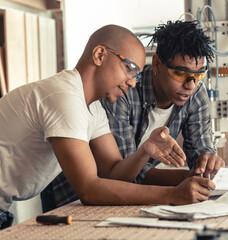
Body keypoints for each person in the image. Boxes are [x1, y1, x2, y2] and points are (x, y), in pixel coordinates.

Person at [0, 24, 215, 229]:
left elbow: (113, 173)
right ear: (100, 55)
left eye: (138, 75)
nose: (133, 82)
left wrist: (144, 151)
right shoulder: (63, 97)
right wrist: (172, 195)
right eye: (130, 69)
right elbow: (89, 189)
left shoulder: (94, 109)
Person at [41, 20, 225, 212]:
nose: (190, 85)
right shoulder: (119, 90)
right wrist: (178, 186)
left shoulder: (195, 93)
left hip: (122, 192)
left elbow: (118, 174)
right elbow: (117, 175)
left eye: (199, 76)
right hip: (74, 195)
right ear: (157, 64)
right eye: (180, 73)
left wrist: (206, 162)